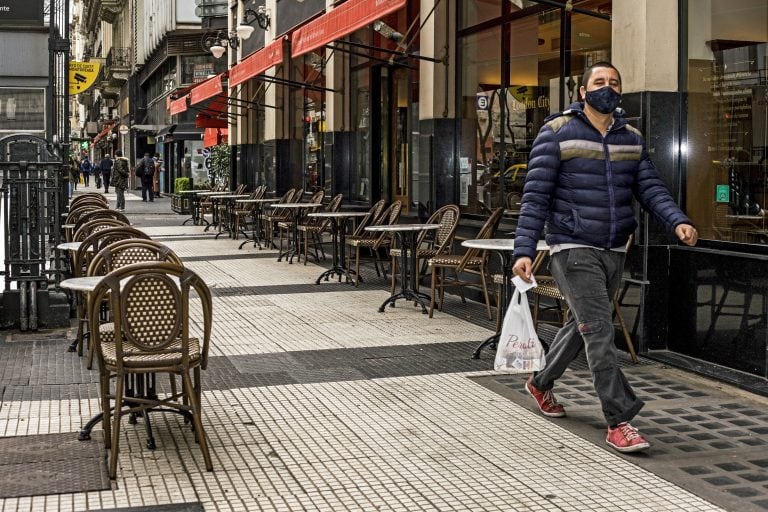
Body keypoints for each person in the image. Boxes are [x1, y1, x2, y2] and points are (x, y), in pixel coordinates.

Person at [511, 62, 698, 454]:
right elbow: (535, 196)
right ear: (582, 91)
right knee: (599, 331)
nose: (607, 88)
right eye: (599, 82)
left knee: (585, 325)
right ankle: (619, 419)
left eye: (615, 83)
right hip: (571, 244)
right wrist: (524, 249)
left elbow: (650, 187)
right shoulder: (557, 132)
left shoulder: (630, 136)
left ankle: (540, 382)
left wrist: (677, 220)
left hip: (614, 247)